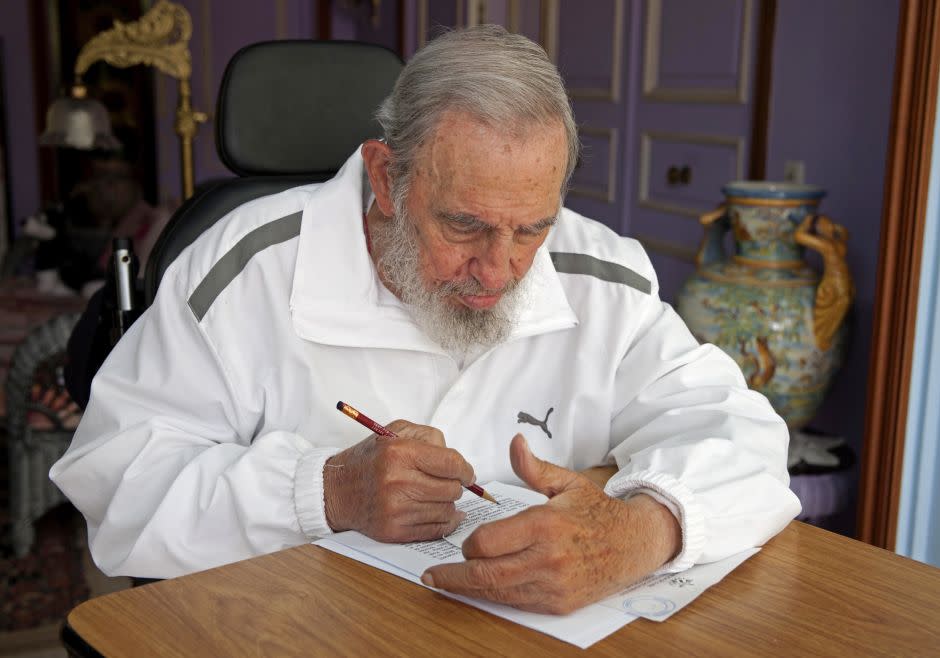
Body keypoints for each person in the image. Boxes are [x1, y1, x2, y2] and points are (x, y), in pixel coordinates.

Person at [51, 26, 800, 615]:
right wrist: (327, 490)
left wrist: (643, 531)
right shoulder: (246, 265)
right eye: (465, 225)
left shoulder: (600, 270)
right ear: (385, 176)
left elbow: (742, 436)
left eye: (532, 226)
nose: (502, 269)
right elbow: (116, 487)